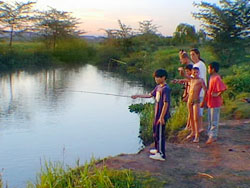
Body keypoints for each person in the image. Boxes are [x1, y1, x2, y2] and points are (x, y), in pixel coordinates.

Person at [131, 69, 171, 161]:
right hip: (157, 115)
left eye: (157, 77)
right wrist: (137, 96)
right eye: (155, 77)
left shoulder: (166, 89)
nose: (156, 79)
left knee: (160, 134)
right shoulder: (158, 87)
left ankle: (161, 155)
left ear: (163, 77)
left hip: (162, 116)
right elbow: (149, 95)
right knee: (155, 133)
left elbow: (166, 103)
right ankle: (157, 150)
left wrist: (161, 117)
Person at [205, 62, 227, 144]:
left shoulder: (217, 78)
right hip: (210, 101)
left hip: (215, 102)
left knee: (214, 119)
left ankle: (213, 136)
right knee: (210, 119)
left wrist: (217, 94)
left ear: (213, 69)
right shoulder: (212, 77)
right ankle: (210, 134)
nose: (208, 70)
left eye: (209, 68)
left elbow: (223, 88)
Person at [186, 67, 207, 143]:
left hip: (196, 101)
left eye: (197, 72)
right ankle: (193, 132)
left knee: (196, 118)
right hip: (190, 100)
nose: (195, 74)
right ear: (192, 72)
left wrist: (204, 101)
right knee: (191, 117)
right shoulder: (191, 80)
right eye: (194, 72)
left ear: (199, 73)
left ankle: (197, 135)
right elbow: (184, 77)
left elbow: (205, 90)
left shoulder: (200, 80)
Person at [190, 48, 207, 133]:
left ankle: (199, 128)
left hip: (199, 91)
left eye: (193, 54)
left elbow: (196, 78)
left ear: (198, 55)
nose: (192, 56)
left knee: (198, 112)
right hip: (196, 91)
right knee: (197, 111)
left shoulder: (199, 65)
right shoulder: (198, 64)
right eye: (191, 55)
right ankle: (198, 128)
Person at [172, 64, 193, 130]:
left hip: (190, 96)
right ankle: (188, 125)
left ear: (191, 71)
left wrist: (187, 96)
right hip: (188, 96)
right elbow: (185, 81)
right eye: (185, 71)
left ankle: (189, 126)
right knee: (189, 112)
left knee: (190, 112)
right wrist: (178, 81)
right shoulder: (189, 78)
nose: (186, 73)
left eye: (187, 71)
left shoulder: (192, 78)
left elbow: (189, 83)